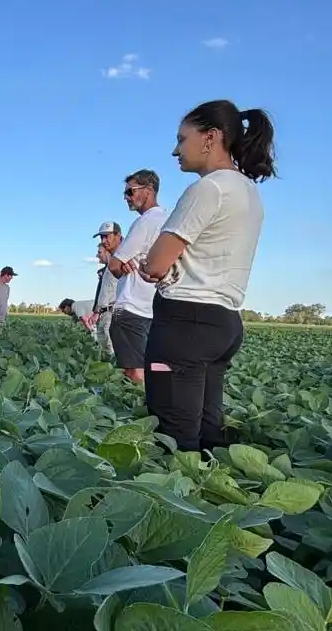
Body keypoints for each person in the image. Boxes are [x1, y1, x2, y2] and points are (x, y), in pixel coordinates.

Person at [138, 100, 276, 452]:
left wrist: (150, 263)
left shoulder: (208, 189)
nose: (175, 150)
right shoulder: (249, 191)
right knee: (207, 428)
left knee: (174, 437)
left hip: (185, 322)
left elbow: (155, 264)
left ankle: (180, 504)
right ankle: (213, 498)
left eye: (182, 139)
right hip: (224, 323)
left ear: (210, 137)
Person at [107, 170, 167, 384]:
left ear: (149, 190)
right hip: (154, 309)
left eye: (130, 191)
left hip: (130, 309)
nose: (126, 197)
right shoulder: (169, 220)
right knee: (156, 368)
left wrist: (121, 264)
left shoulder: (146, 221)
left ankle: (137, 415)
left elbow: (114, 265)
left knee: (134, 372)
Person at [87, 240, 119, 356]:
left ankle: (115, 370)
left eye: (100, 252)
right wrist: (96, 312)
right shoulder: (105, 271)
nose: (97, 255)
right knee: (104, 344)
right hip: (103, 312)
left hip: (111, 311)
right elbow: (101, 293)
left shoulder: (116, 269)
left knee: (110, 345)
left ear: (108, 252)